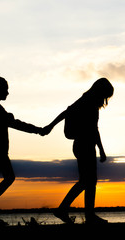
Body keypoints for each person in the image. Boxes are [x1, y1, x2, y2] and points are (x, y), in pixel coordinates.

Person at [42, 78, 114, 224]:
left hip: (82, 144)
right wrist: (101, 149)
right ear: (101, 92)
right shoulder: (90, 102)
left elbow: (68, 114)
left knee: (86, 181)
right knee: (88, 181)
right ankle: (85, 215)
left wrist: (51, 126)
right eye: (106, 95)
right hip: (84, 144)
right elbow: (92, 128)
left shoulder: (85, 100)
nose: (105, 99)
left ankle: (73, 211)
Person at [0, 75, 44, 226]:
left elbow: (2, 122)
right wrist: (38, 130)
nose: (8, 93)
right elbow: (15, 124)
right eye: (6, 90)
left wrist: (7, 117)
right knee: (8, 177)